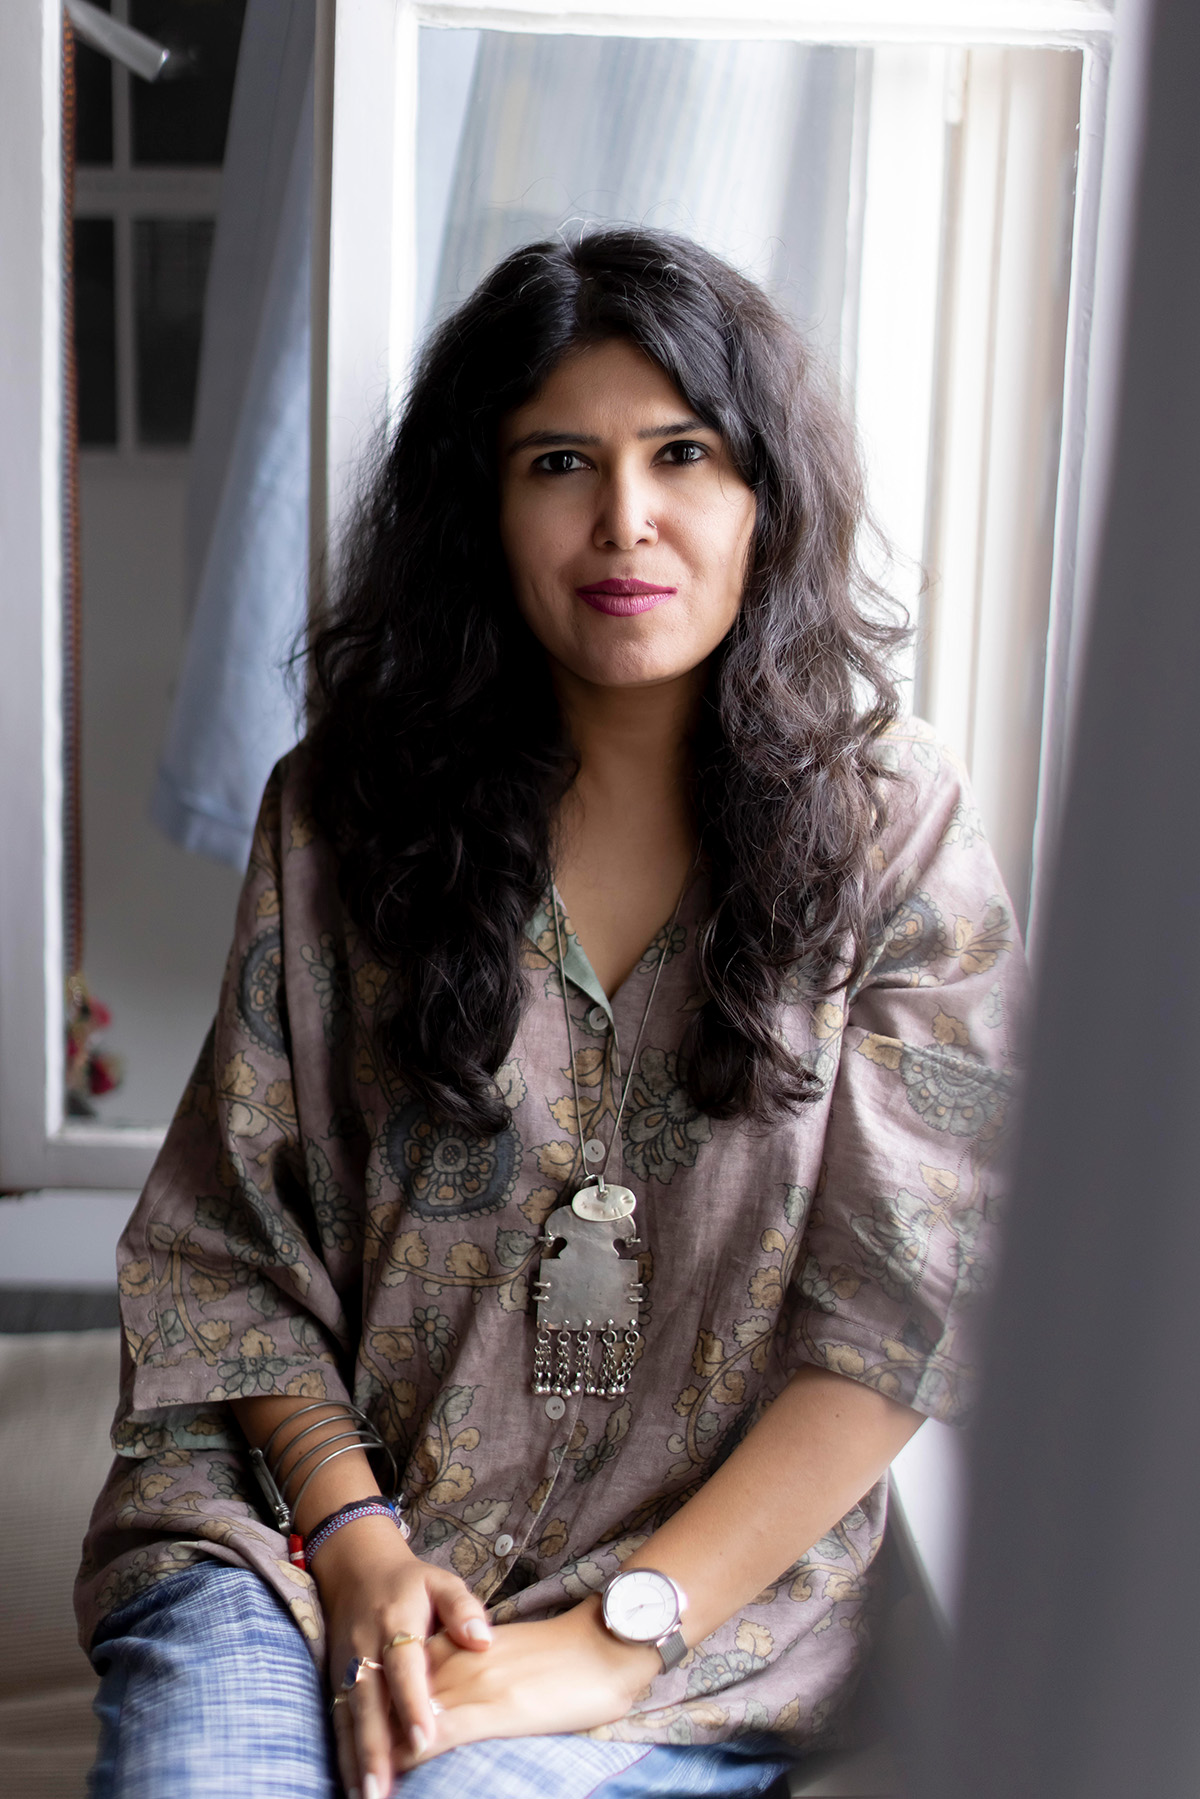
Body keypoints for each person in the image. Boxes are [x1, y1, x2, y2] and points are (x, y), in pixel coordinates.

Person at [77, 229, 1023, 1799]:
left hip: (691, 1609)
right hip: (287, 1541)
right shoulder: (341, 816)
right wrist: (358, 1547)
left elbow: (905, 1310)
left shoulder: (897, 834)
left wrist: (618, 1634)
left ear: (766, 495)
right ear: (484, 506)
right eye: (559, 462)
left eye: (685, 455)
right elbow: (225, 1250)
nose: (626, 521)